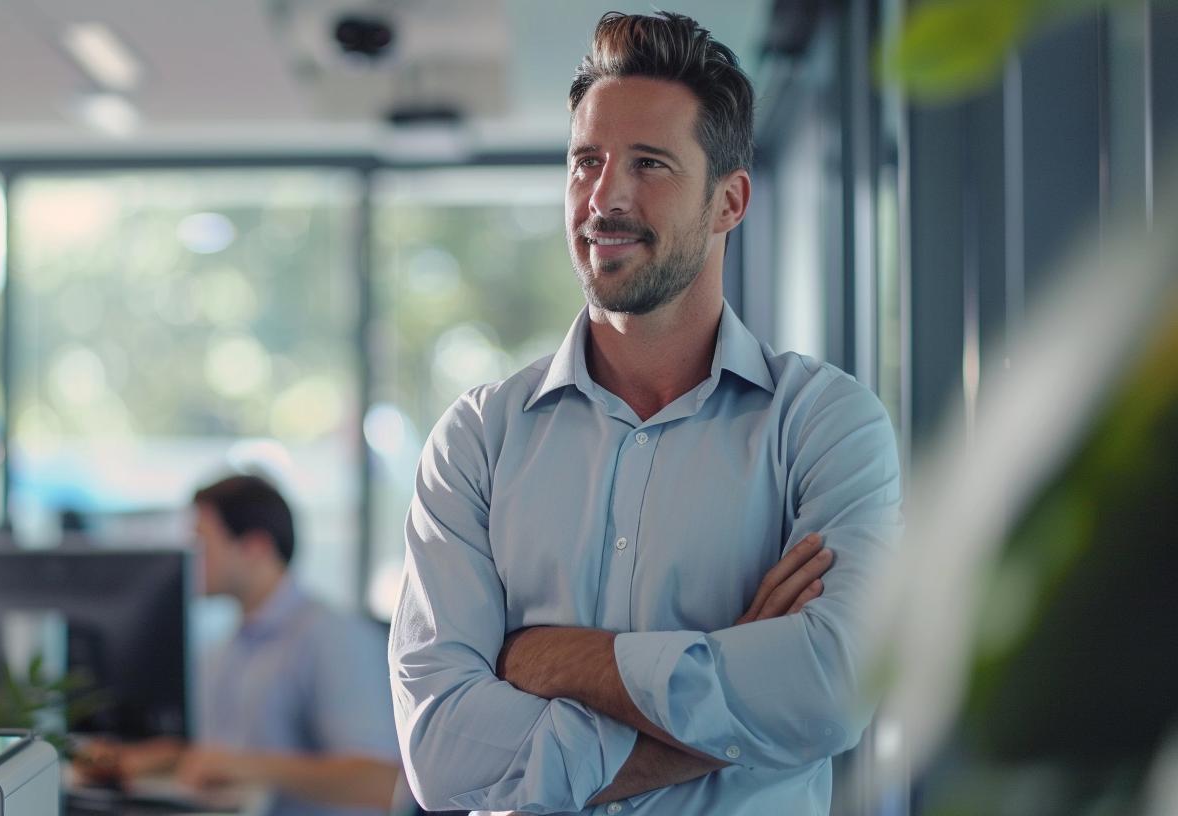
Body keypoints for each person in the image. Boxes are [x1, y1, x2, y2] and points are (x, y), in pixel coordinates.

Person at [388, 11, 903, 815]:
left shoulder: (825, 425)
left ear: (729, 201)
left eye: (649, 164)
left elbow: (833, 692)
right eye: (585, 161)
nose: (605, 198)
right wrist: (728, 685)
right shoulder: (476, 441)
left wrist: (553, 660)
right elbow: (442, 752)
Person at [76, 475, 401, 816]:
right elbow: (221, 757)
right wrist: (151, 760)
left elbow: (381, 781)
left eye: (201, 543)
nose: (189, 559)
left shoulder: (334, 637)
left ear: (255, 547)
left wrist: (244, 767)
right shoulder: (228, 646)